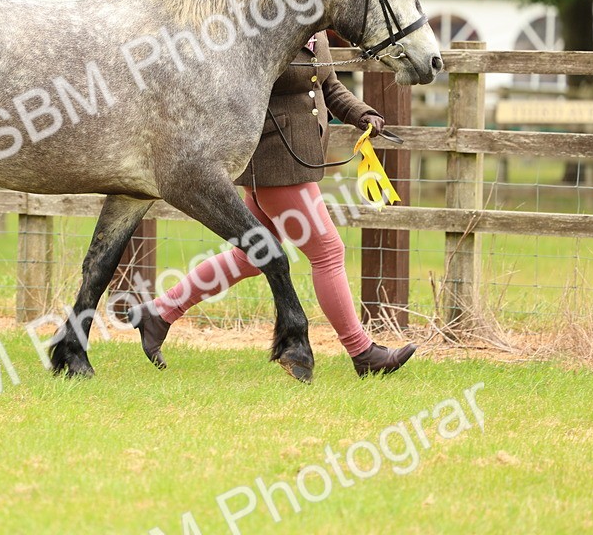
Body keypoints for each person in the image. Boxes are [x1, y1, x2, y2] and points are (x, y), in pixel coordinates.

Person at [127, 26, 418, 377]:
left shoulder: (317, 33)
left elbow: (327, 85)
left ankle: (159, 314)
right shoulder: (267, 29)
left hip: (296, 157)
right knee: (327, 251)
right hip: (274, 157)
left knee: (249, 258)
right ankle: (363, 353)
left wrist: (360, 114)